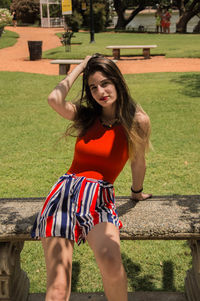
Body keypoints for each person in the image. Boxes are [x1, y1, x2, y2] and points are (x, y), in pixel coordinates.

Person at [31, 54, 152, 301]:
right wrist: (81, 67)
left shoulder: (137, 121)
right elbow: (54, 99)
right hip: (63, 197)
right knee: (57, 288)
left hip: (99, 199)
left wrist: (136, 191)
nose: (100, 92)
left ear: (118, 81)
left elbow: (138, 161)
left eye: (105, 83)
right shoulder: (87, 117)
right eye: (93, 87)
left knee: (111, 263)